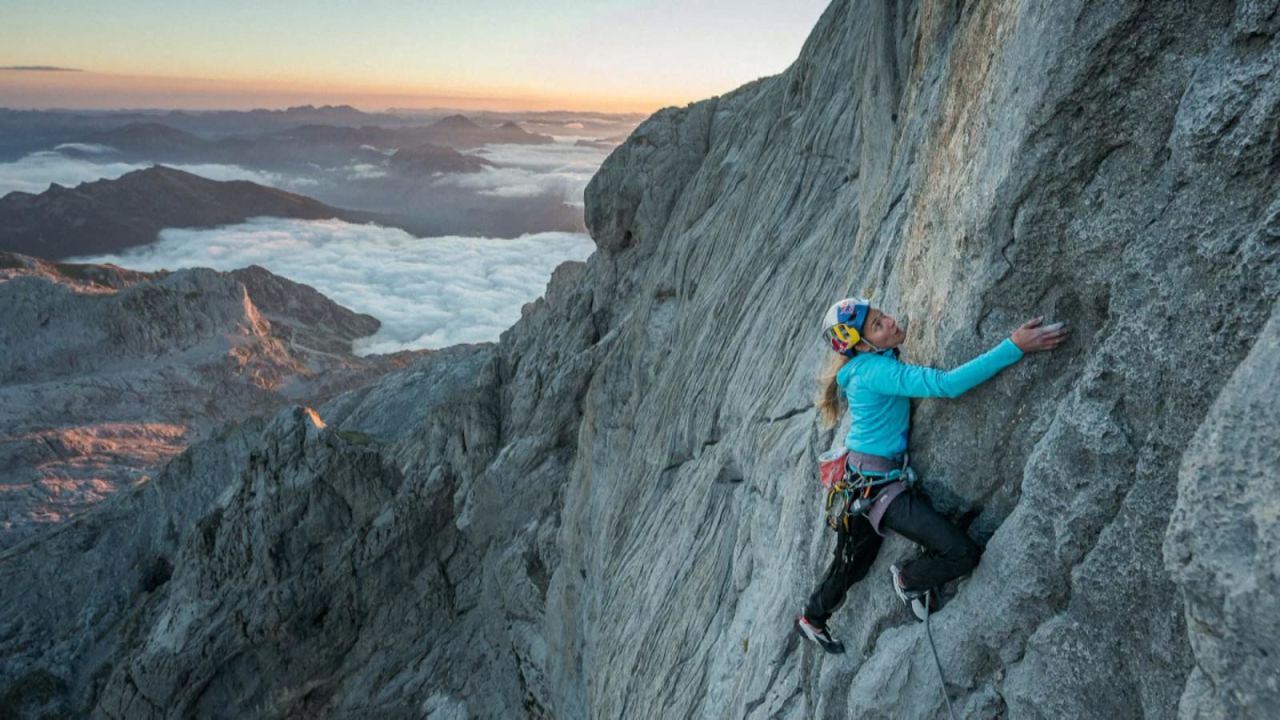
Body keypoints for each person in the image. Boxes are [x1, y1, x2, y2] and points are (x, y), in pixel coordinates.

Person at [795, 297, 1069, 654]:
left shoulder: (869, 363)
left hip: (863, 482)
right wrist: (1013, 347)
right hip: (878, 491)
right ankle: (908, 580)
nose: (891, 322)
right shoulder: (876, 372)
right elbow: (948, 385)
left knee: (852, 562)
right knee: (961, 553)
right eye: (878, 325)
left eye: (883, 315)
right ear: (862, 345)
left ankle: (812, 617)